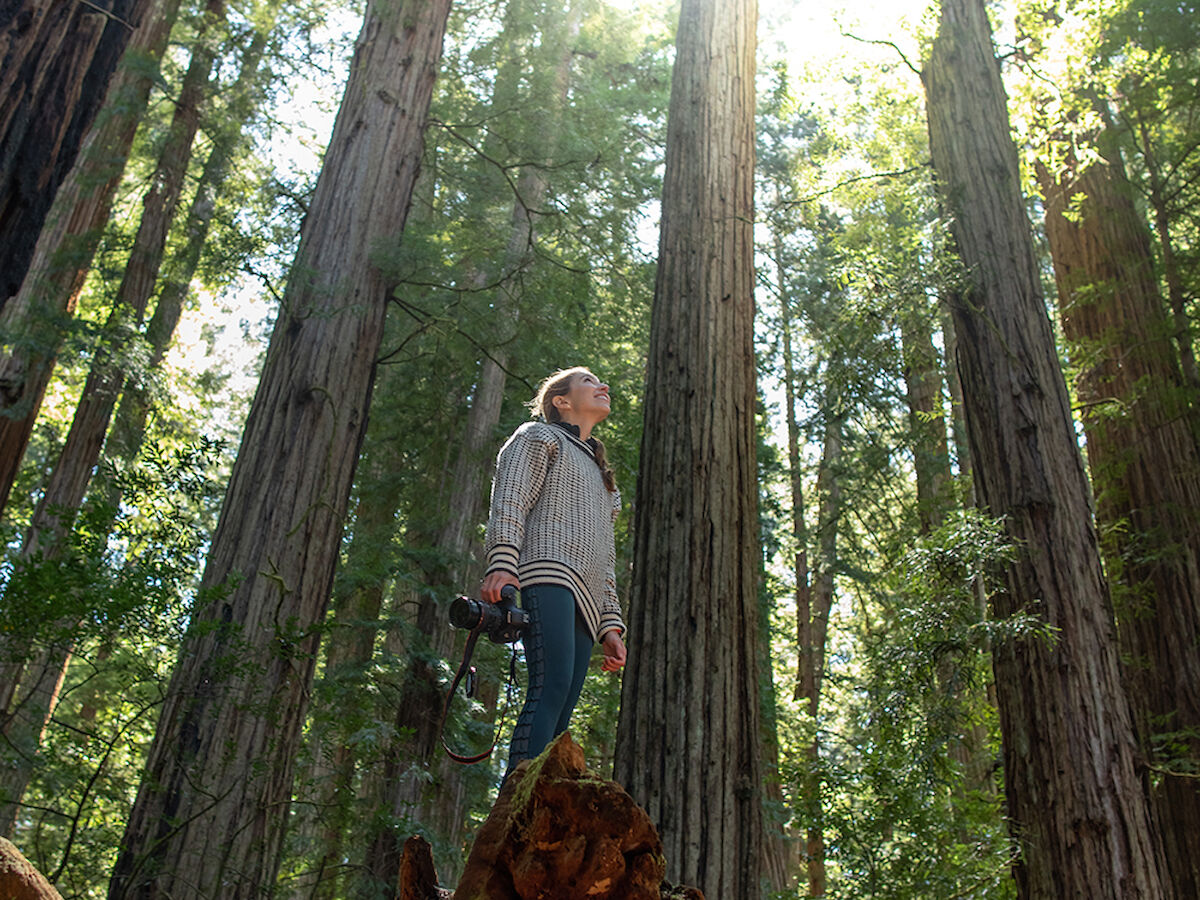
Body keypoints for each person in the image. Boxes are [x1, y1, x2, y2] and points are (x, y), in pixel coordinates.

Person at [481, 367, 627, 776]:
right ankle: (515, 803)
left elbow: (606, 558)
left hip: (588, 596)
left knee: (564, 705)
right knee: (551, 685)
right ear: (560, 401)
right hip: (546, 572)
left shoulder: (604, 479)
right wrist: (503, 563)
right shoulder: (538, 437)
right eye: (588, 381)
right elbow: (510, 501)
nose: (603, 385)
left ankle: (542, 799)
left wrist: (610, 626)